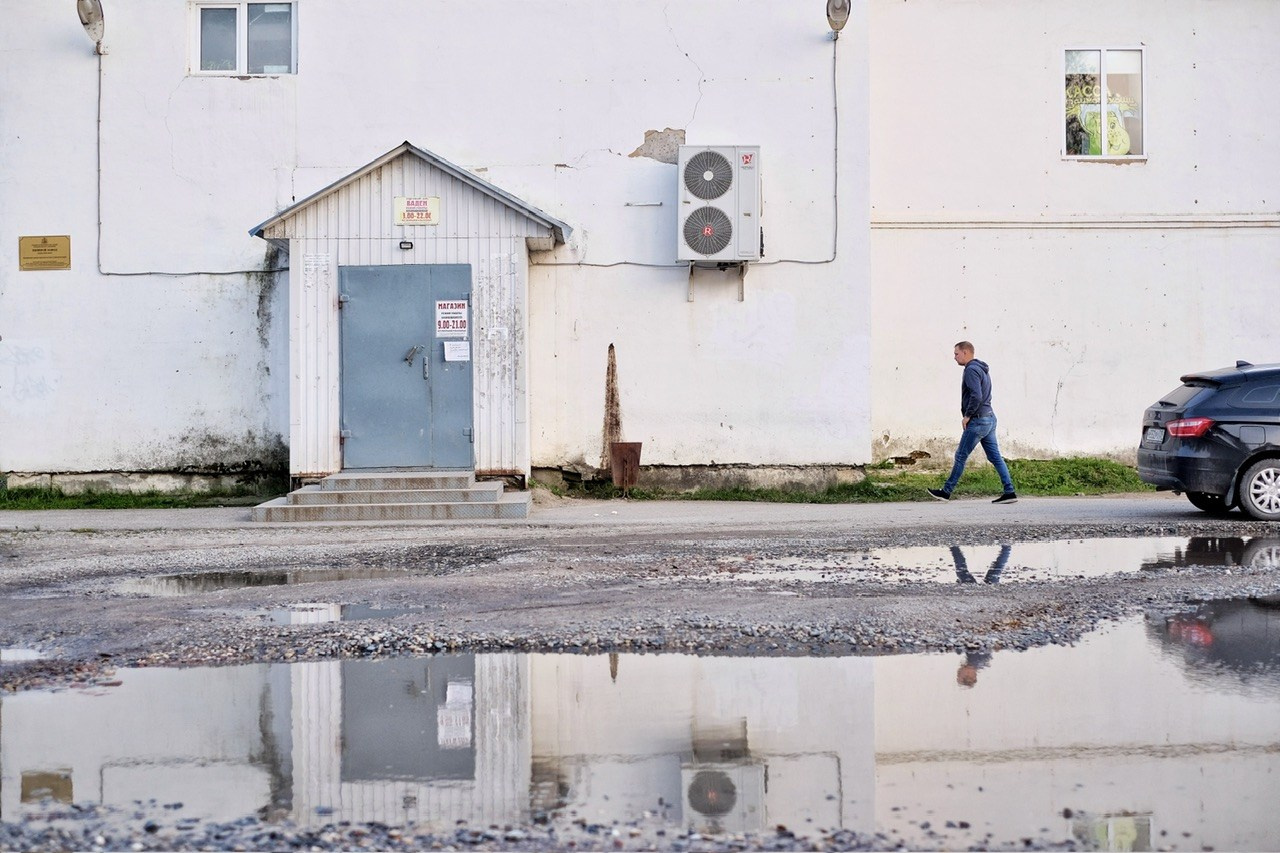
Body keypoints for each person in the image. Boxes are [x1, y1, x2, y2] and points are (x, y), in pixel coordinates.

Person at [928, 341, 1018, 504]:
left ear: (965, 352)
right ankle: (1009, 492)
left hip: (978, 420)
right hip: (989, 418)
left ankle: (946, 492)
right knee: (995, 457)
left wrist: (967, 415)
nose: (954, 357)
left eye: (956, 354)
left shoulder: (971, 370)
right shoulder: (982, 369)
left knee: (960, 456)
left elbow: (976, 395)